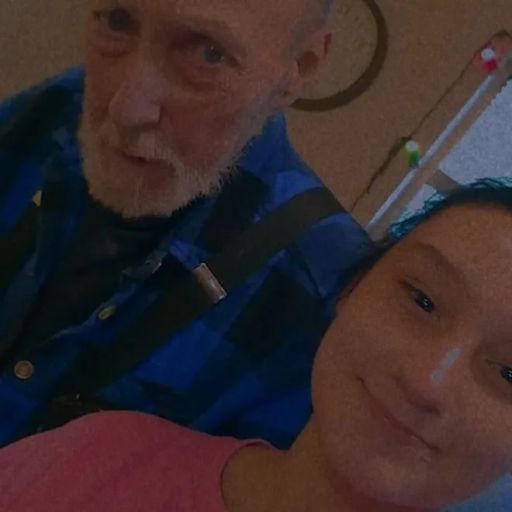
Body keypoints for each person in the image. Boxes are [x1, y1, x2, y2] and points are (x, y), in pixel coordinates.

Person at [1, 177, 512, 512]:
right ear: (354, 287)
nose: (426, 381)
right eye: (422, 300)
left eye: (509, 372)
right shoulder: (106, 453)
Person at [0, 0, 370, 447]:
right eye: (118, 21)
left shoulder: (324, 301)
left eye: (208, 53)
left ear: (299, 67)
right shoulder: (54, 109)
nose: (125, 108)